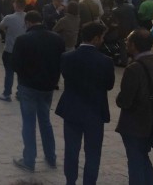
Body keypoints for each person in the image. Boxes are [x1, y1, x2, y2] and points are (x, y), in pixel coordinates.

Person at [55, 22, 115, 185]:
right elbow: (109, 85)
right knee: (93, 153)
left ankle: (70, 181)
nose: (103, 40)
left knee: (71, 150)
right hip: (94, 112)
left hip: (72, 110)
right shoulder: (106, 61)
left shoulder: (67, 57)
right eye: (102, 37)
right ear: (96, 38)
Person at [116, 29, 153, 184]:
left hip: (134, 124)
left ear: (133, 45)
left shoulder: (134, 68)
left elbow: (124, 101)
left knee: (135, 161)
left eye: (128, 41)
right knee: (142, 158)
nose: (126, 43)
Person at [12, 10, 65, 172]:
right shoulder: (57, 39)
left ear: (28, 22)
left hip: (28, 86)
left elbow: (15, 65)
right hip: (47, 87)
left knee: (29, 123)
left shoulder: (22, 40)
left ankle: (29, 160)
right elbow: (61, 62)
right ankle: (51, 157)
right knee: (45, 121)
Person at [0, 0, 27, 102]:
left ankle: (7, 93)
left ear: (15, 5)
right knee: (21, 73)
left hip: (10, 49)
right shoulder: (27, 17)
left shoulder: (9, 17)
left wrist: (7, 31)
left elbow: (1, 26)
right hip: (23, 51)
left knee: (9, 72)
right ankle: (20, 93)